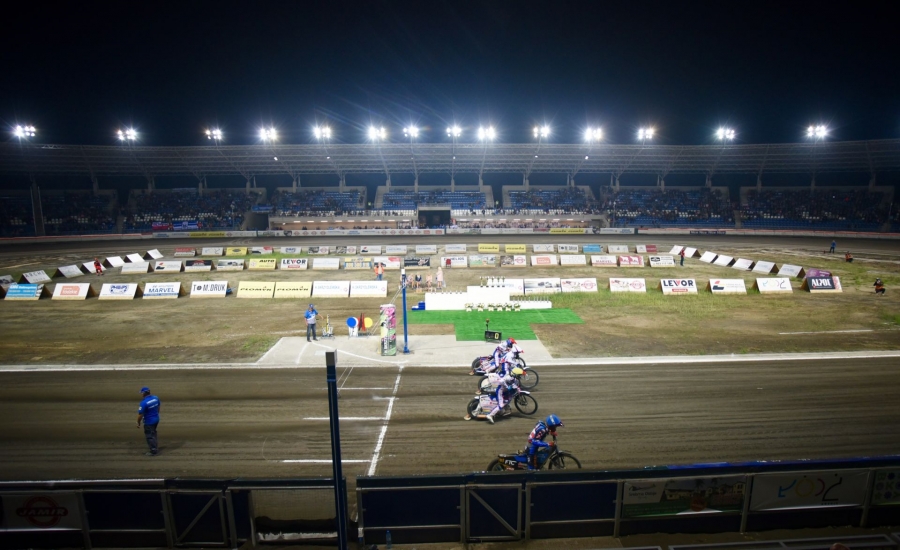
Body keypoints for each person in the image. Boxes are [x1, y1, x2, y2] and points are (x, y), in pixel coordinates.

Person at [137, 386, 160, 456]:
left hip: (149, 422)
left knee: (149, 435)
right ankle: (155, 446)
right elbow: (158, 407)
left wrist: (138, 423)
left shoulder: (143, 403)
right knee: (153, 433)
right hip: (156, 419)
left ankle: (153, 450)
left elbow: (140, 415)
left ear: (144, 393)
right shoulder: (156, 398)